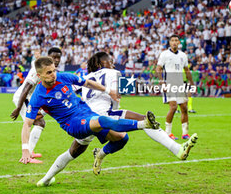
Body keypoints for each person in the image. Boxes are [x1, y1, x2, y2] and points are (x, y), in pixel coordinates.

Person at [36, 53, 198, 187]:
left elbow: (65, 94)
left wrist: (43, 111)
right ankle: (177, 149)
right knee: (144, 122)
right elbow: (129, 89)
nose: (113, 63)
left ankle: (47, 178)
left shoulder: (86, 76)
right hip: (101, 116)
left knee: (75, 151)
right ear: (101, 64)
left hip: (84, 117)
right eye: (110, 61)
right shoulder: (114, 73)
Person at [21, 56, 160, 184]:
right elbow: (27, 124)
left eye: (54, 71)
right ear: (39, 76)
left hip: (87, 114)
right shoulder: (37, 96)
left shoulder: (63, 77)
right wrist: (25, 149)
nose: (53, 75)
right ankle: (144, 124)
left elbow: (88, 83)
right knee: (103, 120)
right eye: (49, 73)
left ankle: (46, 180)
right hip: (73, 124)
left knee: (121, 139)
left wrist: (108, 91)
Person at [10, 47, 62, 163]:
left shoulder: (51, 70)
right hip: (23, 98)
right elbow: (26, 89)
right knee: (39, 123)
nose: (56, 60)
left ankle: (30, 152)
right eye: (54, 57)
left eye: (58, 57)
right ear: (48, 57)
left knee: (40, 123)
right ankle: (27, 155)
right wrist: (18, 108)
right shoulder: (38, 69)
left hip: (31, 98)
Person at [156, 34, 195, 140]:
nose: (174, 42)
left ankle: (185, 133)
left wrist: (192, 83)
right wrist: (162, 82)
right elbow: (158, 69)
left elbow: (187, 70)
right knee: (173, 107)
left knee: (184, 108)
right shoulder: (164, 54)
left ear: (179, 43)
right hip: (169, 84)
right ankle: (167, 133)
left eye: (176, 40)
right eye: (172, 40)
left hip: (180, 85)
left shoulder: (183, 55)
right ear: (169, 42)